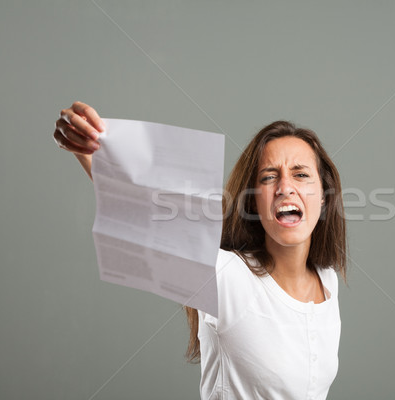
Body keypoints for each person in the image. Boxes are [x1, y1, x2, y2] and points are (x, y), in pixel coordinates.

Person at [53, 101, 347, 399]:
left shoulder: (327, 280)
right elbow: (145, 221)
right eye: (269, 177)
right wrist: (86, 148)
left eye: (300, 174)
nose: (285, 186)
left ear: (323, 195)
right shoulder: (226, 277)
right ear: (253, 202)